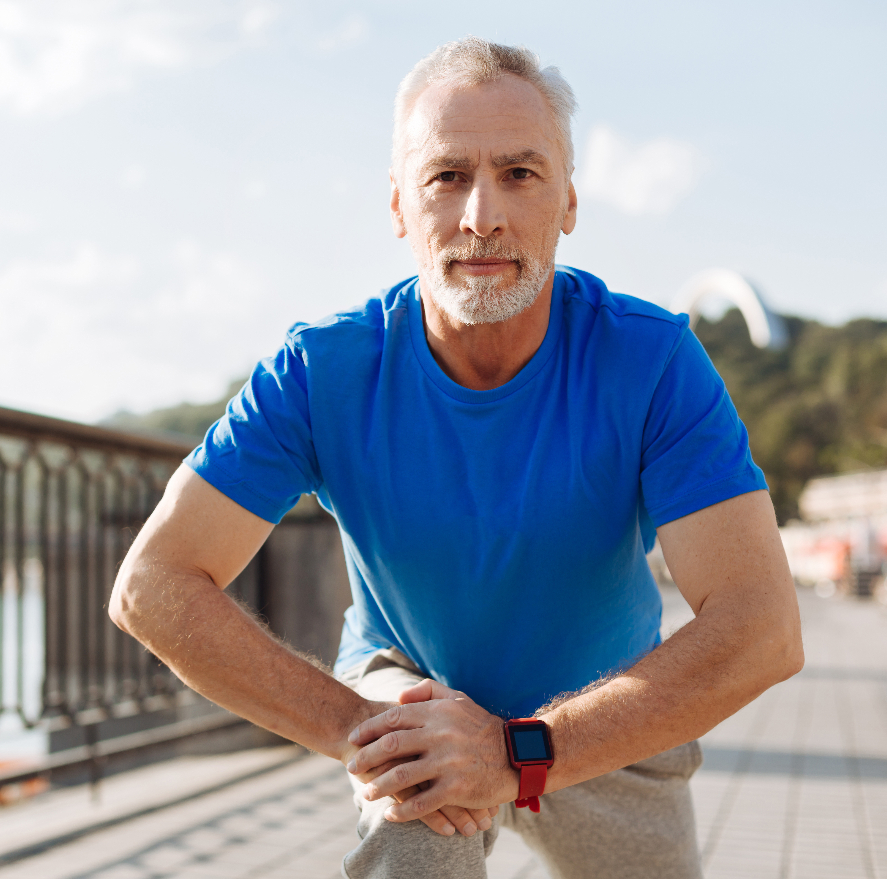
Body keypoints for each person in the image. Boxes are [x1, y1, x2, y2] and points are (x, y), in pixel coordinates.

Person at [109, 37, 803, 879]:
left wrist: (519, 753)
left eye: (520, 173)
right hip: (413, 684)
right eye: (446, 176)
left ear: (569, 202)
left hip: (600, 710)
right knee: (411, 793)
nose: (482, 215)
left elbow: (761, 626)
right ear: (399, 204)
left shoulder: (652, 361)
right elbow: (154, 584)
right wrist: (354, 730)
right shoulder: (322, 367)